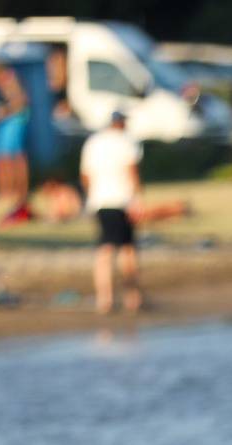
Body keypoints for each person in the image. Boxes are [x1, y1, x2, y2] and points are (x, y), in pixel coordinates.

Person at [79, 111, 143, 315]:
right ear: (121, 123)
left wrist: (92, 196)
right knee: (127, 249)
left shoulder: (93, 142)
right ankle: (132, 297)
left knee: (104, 249)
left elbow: (85, 175)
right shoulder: (126, 141)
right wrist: (137, 199)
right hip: (122, 200)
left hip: (99, 201)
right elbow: (132, 171)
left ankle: (104, 298)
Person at [0, 62, 32, 225]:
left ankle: (12, 192)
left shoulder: (8, 79)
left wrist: (3, 112)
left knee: (8, 157)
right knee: (4, 156)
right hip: (13, 119)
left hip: (14, 120)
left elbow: (20, 102)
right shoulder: (6, 80)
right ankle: (10, 192)